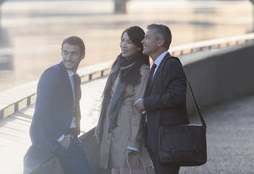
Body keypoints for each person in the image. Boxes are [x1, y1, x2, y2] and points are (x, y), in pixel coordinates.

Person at [24, 36, 93, 174]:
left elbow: (73, 109)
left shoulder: (75, 78)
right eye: (65, 52)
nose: (68, 58)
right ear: (61, 53)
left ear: (82, 55)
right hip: (53, 141)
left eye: (74, 53)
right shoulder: (52, 75)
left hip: (69, 138)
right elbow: (41, 113)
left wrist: (74, 134)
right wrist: (60, 138)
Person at [95, 26, 152, 174]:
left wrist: (134, 141)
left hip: (127, 130)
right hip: (111, 127)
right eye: (122, 40)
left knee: (126, 169)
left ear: (139, 47)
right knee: (115, 169)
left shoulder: (142, 71)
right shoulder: (119, 64)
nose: (123, 45)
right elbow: (109, 98)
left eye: (129, 42)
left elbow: (139, 109)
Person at [134, 24, 189, 174]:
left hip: (167, 140)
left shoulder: (171, 64)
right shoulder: (158, 66)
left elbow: (176, 97)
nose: (142, 41)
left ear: (160, 42)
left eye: (147, 37)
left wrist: (146, 103)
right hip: (157, 139)